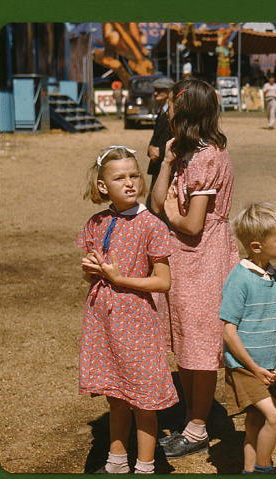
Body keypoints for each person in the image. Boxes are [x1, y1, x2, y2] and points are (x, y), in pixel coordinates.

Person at [150, 78, 240, 458]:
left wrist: (172, 210)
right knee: (186, 336)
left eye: (173, 105)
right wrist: (168, 165)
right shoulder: (185, 154)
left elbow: (191, 224)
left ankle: (198, 426)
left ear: (186, 112)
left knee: (201, 339)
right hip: (184, 258)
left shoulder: (207, 158)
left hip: (204, 257)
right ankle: (192, 415)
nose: (167, 111)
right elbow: (155, 204)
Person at [78, 145, 178, 474]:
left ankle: (146, 466)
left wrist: (122, 278)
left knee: (143, 400)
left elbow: (162, 282)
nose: (130, 182)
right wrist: (92, 270)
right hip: (102, 319)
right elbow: (90, 272)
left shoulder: (152, 225)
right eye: (120, 177)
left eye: (134, 175)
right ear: (103, 186)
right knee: (116, 395)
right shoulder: (96, 222)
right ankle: (116, 462)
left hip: (137, 321)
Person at [221, 203, 276, 474]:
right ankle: (264, 469)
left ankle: (249, 470)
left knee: (255, 422)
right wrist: (253, 368)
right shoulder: (239, 279)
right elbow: (229, 330)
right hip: (245, 367)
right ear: (257, 246)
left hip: (268, 366)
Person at [146, 77, 175, 210]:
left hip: (168, 165)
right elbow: (156, 136)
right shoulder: (162, 110)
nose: (155, 93)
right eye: (155, 90)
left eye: (159, 90)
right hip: (157, 163)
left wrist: (160, 151)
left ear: (169, 92)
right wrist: (151, 148)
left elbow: (176, 138)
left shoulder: (174, 112)